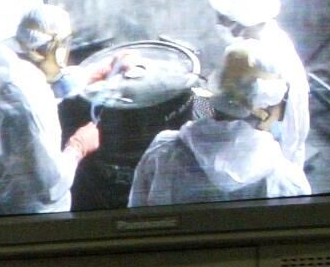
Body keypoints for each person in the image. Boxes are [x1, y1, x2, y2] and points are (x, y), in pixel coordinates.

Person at [0, 3, 117, 215]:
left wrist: (89, 75)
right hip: (28, 215)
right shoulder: (27, 94)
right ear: (56, 46)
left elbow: (42, 84)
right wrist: (79, 146)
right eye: (65, 44)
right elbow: (50, 187)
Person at [128, 40, 311, 206]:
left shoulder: (162, 150)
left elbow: (138, 215)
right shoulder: (288, 181)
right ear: (266, 109)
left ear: (218, 86)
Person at [208, 0, 310, 171]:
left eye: (221, 18)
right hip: (274, 116)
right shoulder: (271, 33)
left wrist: (202, 98)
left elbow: (232, 109)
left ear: (239, 23)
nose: (217, 23)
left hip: (261, 126)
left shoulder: (248, 53)